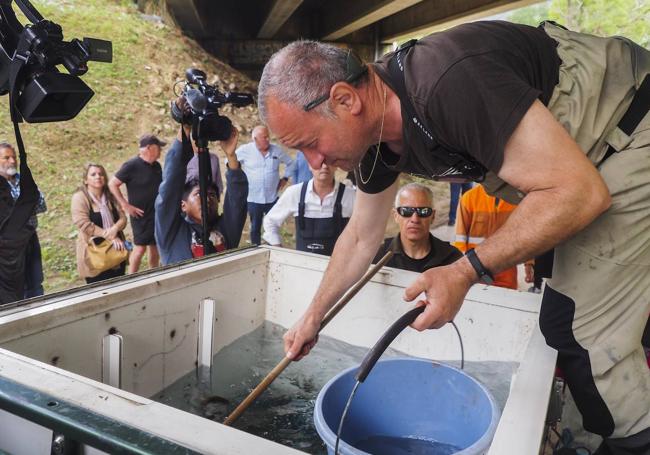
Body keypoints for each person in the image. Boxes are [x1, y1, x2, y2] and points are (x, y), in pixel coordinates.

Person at [258, 21, 650, 453]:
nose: (317, 162)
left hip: (631, 131)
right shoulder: (372, 140)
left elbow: (578, 192)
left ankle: (630, 442)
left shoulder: (447, 83)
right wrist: (314, 314)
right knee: (563, 316)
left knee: (580, 332)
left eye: (311, 143)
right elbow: (360, 238)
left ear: (346, 99)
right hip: (578, 166)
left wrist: (465, 271)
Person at [154, 99, 248, 265]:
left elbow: (237, 200)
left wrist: (231, 156)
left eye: (212, 195)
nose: (207, 199)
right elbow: (169, 188)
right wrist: (186, 128)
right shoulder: (172, 232)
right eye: (198, 194)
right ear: (183, 205)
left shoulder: (225, 230)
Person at [262, 162, 355, 255]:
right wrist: (279, 251)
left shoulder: (349, 195)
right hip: (304, 265)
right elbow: (270, 221)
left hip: (338, 265)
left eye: (329, 161)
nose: (324, 166)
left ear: (336, 165)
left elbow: (367, 229)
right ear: (310, 165)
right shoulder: (295, 193)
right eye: (320, 162)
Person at [375, 183, 462, 272]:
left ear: (433, 216)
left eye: (423, 211)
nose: (415, 219)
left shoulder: (453, 259)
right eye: (406, 211)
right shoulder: (377, 256)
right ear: (396, 216)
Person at [109, 135, 164, 274]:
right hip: (140, 214)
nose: (160, 152)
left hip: (155, 213)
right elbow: (113, 184)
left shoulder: (157, 166)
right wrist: (125, 205)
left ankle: (154, 273)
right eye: (159, 148)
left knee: (154, 246)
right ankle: (131, 277)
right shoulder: (132, 165)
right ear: (149, 148)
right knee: (140, 248)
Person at [452, 184, 524, 290]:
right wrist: (461, 271)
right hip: (476, 271)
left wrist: (529, 263)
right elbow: (460, 240)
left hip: (507, 269)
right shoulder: (469, 198)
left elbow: (525, 233)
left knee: (506, 302)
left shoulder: (517, 199)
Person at [0, 143, 46, 298]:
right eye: (6, 157)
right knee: (16, 290)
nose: (12, 161)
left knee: (35, 284)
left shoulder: (24, 181)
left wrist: (20, 210)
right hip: (8, 249)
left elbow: (41, 204)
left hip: (31, 239)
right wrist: (25, 207)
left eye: (14, 157)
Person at [236, 125, 295, 245]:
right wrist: (238, 178)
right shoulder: (245, 150)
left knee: (272, 226)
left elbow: (291, 163)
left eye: (268, 136)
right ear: (255, 139)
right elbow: (229, 161)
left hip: (271, 197)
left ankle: (273, 248)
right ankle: (255, 248)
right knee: (255, 227)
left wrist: (285, 178)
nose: (268, 139)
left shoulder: (276, 150)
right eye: (264, 137)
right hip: (253, 198)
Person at [71, 164, 128, 284]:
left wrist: (115, 228)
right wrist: (109, 235)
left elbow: (123, 218)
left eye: (101, 174)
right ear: (86, 180)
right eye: (93, 174)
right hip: (94, 254)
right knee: (99, 292)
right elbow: (83, 224)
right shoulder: (80, 198)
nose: (98, 176)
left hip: (116, 251)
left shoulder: (110, 195)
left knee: (119, 287)